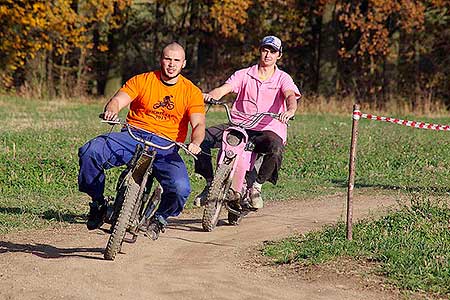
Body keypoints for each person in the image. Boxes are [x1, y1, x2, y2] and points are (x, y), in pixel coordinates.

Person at [78, 42, 206, 240]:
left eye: (176, 60)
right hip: (133, 135)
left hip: (166, 146)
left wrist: (195, 143)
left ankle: (161, 218)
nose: (171, 64)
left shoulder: (191, 91)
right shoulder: (142, 80)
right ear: (160, 59)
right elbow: (118, 100)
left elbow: (198, 125)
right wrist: (112, 110)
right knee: (91, 151)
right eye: (168, 59)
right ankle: (97, 203)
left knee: (181, 188)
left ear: (184, 63)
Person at [194, 35, 301, 209]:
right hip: (239, 125)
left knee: (276, 147)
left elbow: (290, 95)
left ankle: (256, 187)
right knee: (202, 138)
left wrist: (290, 110)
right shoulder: (244, 74)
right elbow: (224, 89)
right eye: (265, 50)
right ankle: (209, 183)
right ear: (260, 51)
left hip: (266, 128)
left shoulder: (283, 78)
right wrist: (211, 96)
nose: (268, 55)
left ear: (279, 55)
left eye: (272, 51)